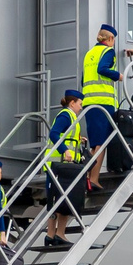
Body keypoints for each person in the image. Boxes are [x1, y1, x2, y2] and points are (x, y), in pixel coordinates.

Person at [78, 21, 124, 194]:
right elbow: (103, 69)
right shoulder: (108, 51)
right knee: (102, 143)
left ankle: (88, 177)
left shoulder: (89, 54)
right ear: (110, 38)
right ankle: (94, 179)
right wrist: (118, 76)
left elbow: (84, 80)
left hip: (89, 101)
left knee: (95, 143)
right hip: (103, 102)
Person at [43, 90, 86, 249]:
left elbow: (64, 135)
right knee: (56, 199)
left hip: (64, 166)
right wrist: (65, 150)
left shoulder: (71, 116)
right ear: (72, 103)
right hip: (57, 165)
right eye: (80, 104)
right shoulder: (65, 115)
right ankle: (51, 234)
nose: (81, 107)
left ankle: (57, 234)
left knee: (65, 198)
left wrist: (77, 140)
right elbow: (54, 134)